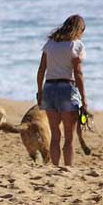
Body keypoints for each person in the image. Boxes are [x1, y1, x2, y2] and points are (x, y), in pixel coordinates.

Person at [36, 14, 88, 166]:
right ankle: (68, 169)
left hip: (49, 88)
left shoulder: (50, 44)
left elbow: (41, 70)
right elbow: (78, 73)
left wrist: (40, 92)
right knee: (69, 137)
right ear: (79, 29)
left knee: (55, 134)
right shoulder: (76, 45)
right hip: (67, 89)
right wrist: (84, 99)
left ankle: (55, 167)